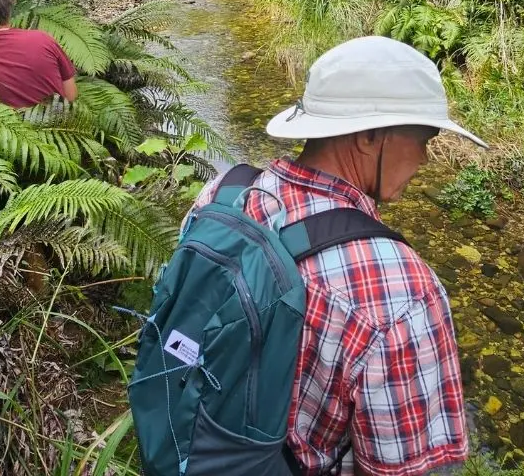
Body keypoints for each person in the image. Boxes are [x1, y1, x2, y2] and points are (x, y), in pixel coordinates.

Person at [190, 36, 487, 475]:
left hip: (195, 445)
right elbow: (402, 468)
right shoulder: (403, 293)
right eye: (425, 137)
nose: (425, 158)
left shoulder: (224, 193)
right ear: (369, 136)